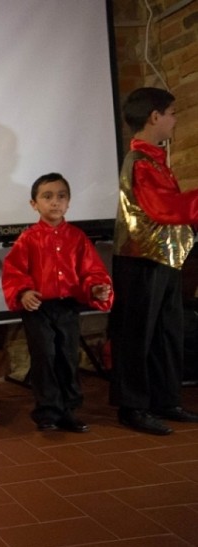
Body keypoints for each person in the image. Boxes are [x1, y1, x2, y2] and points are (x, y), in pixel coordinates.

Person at [109, 86, 198, 435]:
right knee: (137, 334)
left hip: (163, 260)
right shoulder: (140, 162)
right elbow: (161, 208)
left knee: (166, 332)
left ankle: (165, 399)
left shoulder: (155, 160)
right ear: (154, 117)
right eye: (172, 113)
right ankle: (132, 406)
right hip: (141, 260)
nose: (176, 120)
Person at [1, 173, 113, 433]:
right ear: (34, 204)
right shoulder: (28, 239)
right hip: (38, 309)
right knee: (45, 357)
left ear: (69, 202)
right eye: (47, 196)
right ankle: (48, 412)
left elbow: (92, 272)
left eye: (61, 196)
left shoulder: (77, 238)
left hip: (67, 307)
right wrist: (24, 292)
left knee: (67, 357)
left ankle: (68, 410)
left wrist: (95, 288)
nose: (55, 202)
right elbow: (14, 272)